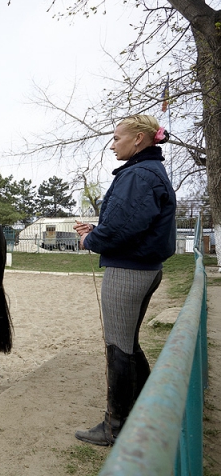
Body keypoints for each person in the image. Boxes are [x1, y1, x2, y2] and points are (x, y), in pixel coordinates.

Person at [73, 114, 177, 446]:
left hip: (130, 271)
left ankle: (115, 425)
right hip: (142, 266)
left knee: (118, 345)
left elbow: (122, 227)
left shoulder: (139, 175)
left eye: (117, 137)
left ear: (139, 140)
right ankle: (151, 406)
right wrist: (98, 230)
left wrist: (91, 240)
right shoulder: (146, 172)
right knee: (128, 342)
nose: (112, 143)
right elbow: (128, 222)